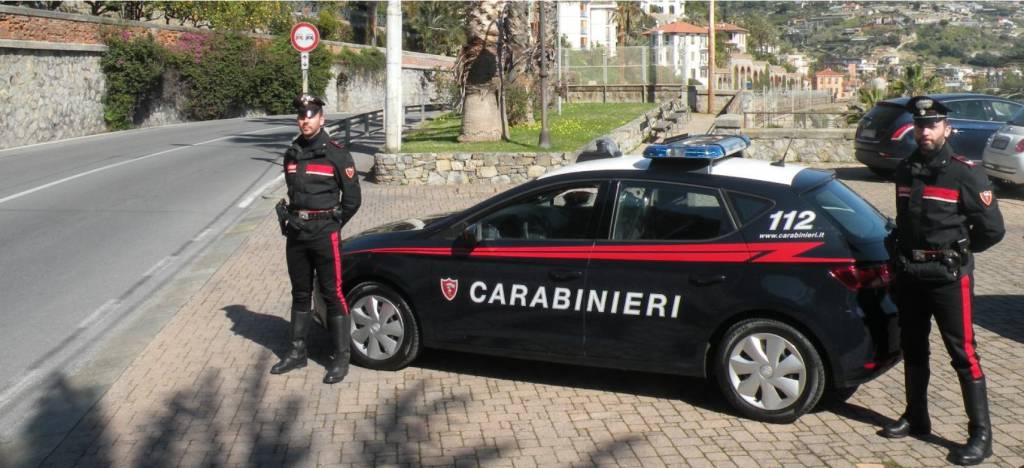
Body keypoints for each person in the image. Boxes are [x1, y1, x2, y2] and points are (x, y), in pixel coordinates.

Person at [880, 96, 1005, 466]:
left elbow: (993, 229)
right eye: (920, 125)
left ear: (946, 129)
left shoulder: (965, 173)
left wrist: (959, 253)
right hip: (912, 275)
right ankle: (916, 416)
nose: (925, 131)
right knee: (913, 347)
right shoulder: (905, 170)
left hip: (949, 279)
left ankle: (980, 435)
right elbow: (906, 221)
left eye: (932, 124)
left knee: (963, 354)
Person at [271, 94, 361, 384]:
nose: (305, 120)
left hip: (325, 234)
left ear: (321, 118)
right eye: (301, 115)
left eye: (310, 115)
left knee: (332, 293)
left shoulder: (336, 153)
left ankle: (341, 358)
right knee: (300, 292)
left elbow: (353, 200)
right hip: (296, 233)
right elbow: (293, 193)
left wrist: (333, 226)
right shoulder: (292, 153)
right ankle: (297, 353)